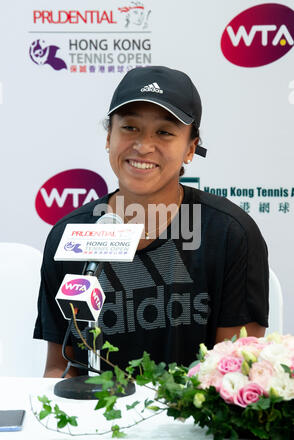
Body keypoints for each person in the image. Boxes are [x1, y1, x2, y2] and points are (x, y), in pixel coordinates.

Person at [33, 66, 269, 378]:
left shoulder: (229, 233)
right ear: (108, 137)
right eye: (130, 128)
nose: (143, 146)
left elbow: (237, 374)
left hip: (194, 421)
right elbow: (60, 367)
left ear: (190, 148)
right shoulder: (69, 236)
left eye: (164, 132)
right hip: (100, 422)